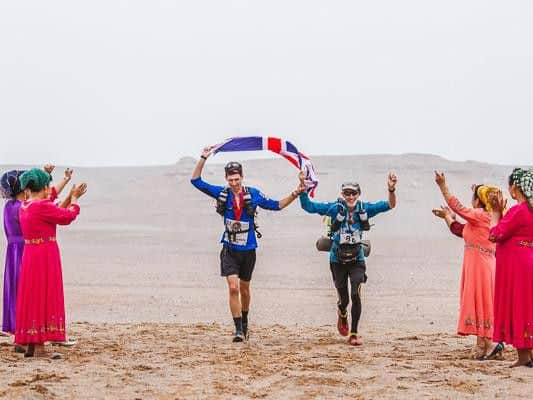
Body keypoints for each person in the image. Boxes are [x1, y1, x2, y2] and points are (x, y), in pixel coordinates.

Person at [190, 147, 305, 342]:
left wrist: (296, 193)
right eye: (230, 180)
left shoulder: (254, 194)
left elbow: (277, 205)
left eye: (237, 179)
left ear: (242, 177)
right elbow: (196, 181)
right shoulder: (221, 193)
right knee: (233, 288)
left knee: (244, 289)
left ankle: (245, 322)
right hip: (229, 249)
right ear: (226, 179)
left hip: (249, 250)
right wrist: (203, 157)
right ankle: (237, 331)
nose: (234, 183)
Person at [297, 171, 397, 346]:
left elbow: (390, 205)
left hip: (357, 259)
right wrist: (303, 190)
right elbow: (309, 207)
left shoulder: (365, 209)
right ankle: (342, 312)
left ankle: (354, 333)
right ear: (342, 194)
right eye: (347, 193)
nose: (350, 197)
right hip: (337, 259)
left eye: (354, 193)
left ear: (359, 194)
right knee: (344, 299)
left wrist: (391, 190)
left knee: (355, 293)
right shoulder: (334, 209)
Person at [14, 168, 86, 358]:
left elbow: (54, 212)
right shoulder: (40, 207)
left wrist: (69, 197)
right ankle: (39, 349)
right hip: (45, 255)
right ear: (44, 186)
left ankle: (32, 344)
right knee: (44, 296)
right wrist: (75, 200)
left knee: (33, 295)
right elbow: (66, 216)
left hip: (31, 255)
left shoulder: (26, 205)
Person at [1, 166, 72, 340]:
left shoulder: (12, 205)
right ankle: (27, 331)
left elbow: (45, 197)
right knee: (28, 292)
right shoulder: (22, 206)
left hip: (14, 252)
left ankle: (19, 329)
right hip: (25, 251)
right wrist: (71, 198)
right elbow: (46, 202)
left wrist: (50, 176)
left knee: (18, 291)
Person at [435, 172, 500, 359]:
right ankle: (482, 345)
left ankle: (489, 344)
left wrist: (442, 185)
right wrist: (448, 216)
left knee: (479, 300)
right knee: (479, 300)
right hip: (480, 263)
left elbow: (458, 206)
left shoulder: (480, 215)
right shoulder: (483, 219)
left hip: (479, 265)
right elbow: (460, 230)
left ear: (478, 201)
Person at [489, 168, 533, 368]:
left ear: (515, 187)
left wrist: (496, 212)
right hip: (529, 261)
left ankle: (524, 357)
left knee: (520, 307)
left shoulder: (519, 210)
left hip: (518, 268)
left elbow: (495, 234)